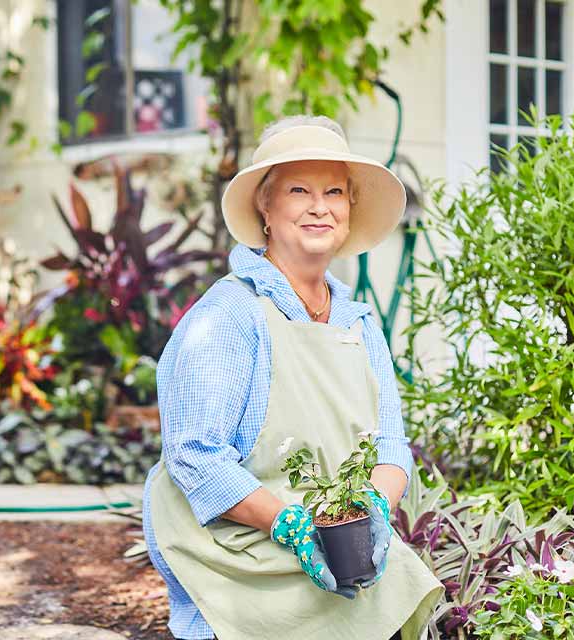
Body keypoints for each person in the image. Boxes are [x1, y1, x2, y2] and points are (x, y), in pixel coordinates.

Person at [143, 115, 442, 640]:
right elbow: (194, 453)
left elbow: (391, 445)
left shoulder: (360, 322)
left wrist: (371, 508)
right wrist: (291, 523)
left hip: (338, 555)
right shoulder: (229, 316)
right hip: (241, 563)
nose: (319, 206)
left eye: (334, 191)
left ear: (350, 206)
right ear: (265, 204)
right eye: (299, 190)